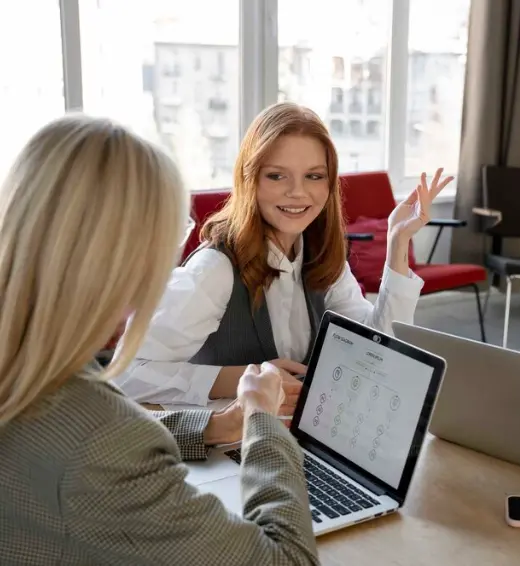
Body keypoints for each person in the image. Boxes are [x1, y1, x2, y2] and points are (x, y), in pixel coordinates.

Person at [0, 114, 319, 564]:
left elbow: (73, 437)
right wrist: (264, 426)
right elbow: (289, 560)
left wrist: (211, 426)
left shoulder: (32, 374)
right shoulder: (103, 439)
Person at [115, 102, 451, 415]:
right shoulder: (215, 270)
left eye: (314, 176)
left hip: (303, 436)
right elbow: (127, 375)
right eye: (277, 175)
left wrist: (398, 242)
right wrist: (246, 378)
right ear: (250, 180)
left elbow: (379, 354)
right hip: (231, 453)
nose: (298, 192)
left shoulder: (321, 258)